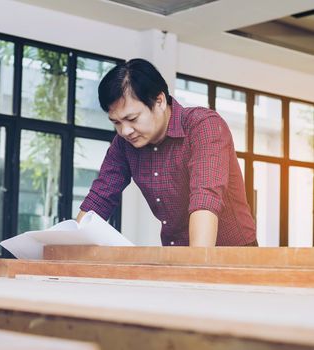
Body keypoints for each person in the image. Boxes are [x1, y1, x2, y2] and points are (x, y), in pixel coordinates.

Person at [76, 58, 257, 247]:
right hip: (177, 254)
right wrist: (67, 249)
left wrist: (198, 267)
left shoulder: (202, 126)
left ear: (159, 101)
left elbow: (205, 198)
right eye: (116, 122)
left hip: (233, 255)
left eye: (132, 118)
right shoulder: (124, 144)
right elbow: (99, 199)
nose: (125, 131)